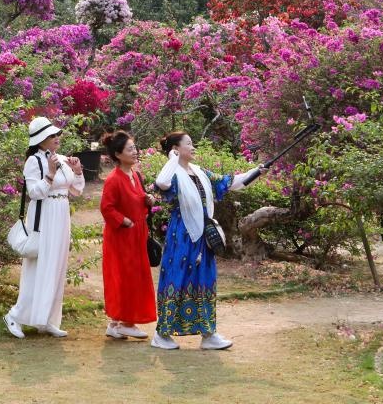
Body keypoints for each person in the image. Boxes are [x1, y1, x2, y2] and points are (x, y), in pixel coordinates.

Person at [151, 131, 263, 350]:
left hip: (203, 233)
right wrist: (173, 159)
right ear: (176, 149)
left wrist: (257, 171)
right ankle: (162, 334)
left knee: (205, 278)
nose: (193, 148)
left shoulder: (199, 172)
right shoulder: (172, 173)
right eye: (189, 144)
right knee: (178, 278)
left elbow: (229, 182)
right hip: (181, 235)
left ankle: (208, 333)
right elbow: (161, 182)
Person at [4, 117, 85, 338]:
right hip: (44, 217)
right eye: (52, 135)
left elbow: (76, 190)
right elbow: (34, 193)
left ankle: (48, 319)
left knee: (57, 267)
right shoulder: (34, 162)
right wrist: (50, 173)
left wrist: (77, 171)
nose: (57, 138)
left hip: (61, 215)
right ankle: (15, 316)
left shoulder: (62, 159)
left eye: (57, 134)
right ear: (41, 140)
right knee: (39, 267)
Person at [99, 130, 157, 340]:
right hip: (121, 236)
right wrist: (124, 221)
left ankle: (116, 323)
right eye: (130, 149)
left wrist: (147, 199)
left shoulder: (135, 175)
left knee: (133, 277)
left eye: (135, 148)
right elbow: (107, 208)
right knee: (123, 277)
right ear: (118, 154)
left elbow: (136, 199)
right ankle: (126, 322)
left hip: (137, 235)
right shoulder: (113, 179)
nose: (135, 152)